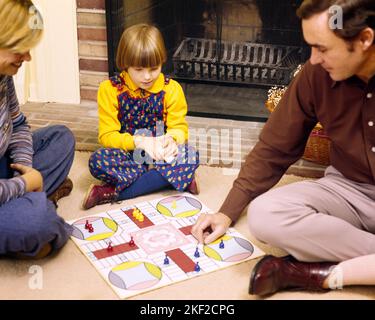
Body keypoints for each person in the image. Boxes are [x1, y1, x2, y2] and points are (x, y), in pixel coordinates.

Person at [191, 0, 375, 295]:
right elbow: (275, 147)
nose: (313, 59)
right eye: (310, 47)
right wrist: (227, 211)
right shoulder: (316, 74)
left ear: (365, 39)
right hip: (348, 190)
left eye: (323, 48)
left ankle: (331, 271)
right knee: (265, 214)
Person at [82, 23, 199, 210]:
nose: (147, 76)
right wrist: (139, 142)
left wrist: (171, 139)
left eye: (154, 68)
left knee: (191, 155)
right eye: (138, 69)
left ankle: (109, 193)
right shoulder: (109, 90)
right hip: (129, 154)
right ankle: (172, 180)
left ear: (162, 61)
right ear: (125, 64)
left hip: (161, 154)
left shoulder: (172, 89)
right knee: (97, 161)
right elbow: (107, 136)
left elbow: (180, 129)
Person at [0, 0, 75, 259]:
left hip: (4, 169)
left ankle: (32, 203)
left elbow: (18, 124)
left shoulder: (3, 75)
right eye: (21, 48)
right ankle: (38, 215)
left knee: (61, 138)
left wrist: (26, 169)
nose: (28, 57)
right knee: (37, 221)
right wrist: (24, 184)